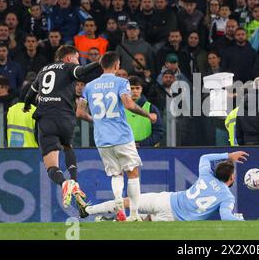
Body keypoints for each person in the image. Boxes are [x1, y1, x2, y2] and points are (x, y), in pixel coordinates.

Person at [76, 51, 155, 222]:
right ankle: (133, 215)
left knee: (116, 174)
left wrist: (96, 120)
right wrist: (147, 115)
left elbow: (80, 112)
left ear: (101, 65)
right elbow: (128, 104)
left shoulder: (89, 86)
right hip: (121, 136)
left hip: (102, 139)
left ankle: (118, 200)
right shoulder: (121, 82)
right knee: (132, 172)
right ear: (117, 64)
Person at [23, 45, 101, 210]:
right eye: (76, 58)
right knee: (67, 146)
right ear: (68, 57)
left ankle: (65, 183)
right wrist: (97, 62)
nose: (77, 61)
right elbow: (81, 72)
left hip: (46, 119)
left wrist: (27, 105)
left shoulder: (43, 70)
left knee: (52, 166)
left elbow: (29, 94)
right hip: (66, 118)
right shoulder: (68, 67)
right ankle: (74, 183)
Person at [79, 151, 248, 221]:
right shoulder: (227, 196)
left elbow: (204, 158)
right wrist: (239, 219)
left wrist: (228, 155)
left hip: (166, 200)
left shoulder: (206, 174)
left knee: (127, 202)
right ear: (231, 177)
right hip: (173, 220)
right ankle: (107, 222)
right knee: (141, 226)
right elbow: (226, 216)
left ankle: (88, 211)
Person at [126, 76, 163, 147]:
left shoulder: (151, 108)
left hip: (147, 151)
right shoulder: (121, 108)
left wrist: (141, 144)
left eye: (137, 88)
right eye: (132, 88)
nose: (135, 91)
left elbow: (158, 132)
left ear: (141, 89)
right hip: (125, 149)